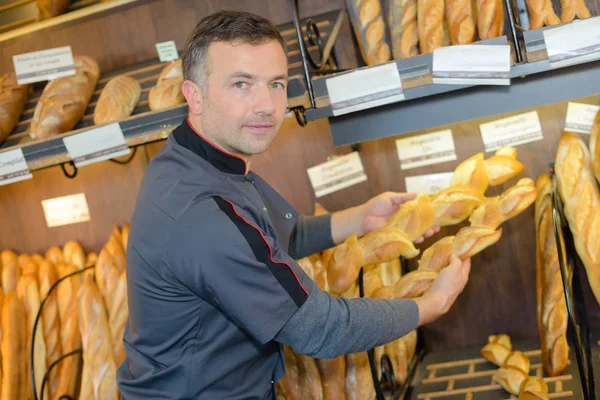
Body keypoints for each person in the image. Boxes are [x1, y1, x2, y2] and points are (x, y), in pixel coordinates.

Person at [116, 10, 471, 399]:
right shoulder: (204, 212)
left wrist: (361, 219)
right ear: (193, 95)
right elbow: (320, 328)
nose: (267, 105)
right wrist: (430, 304)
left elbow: (280, 235)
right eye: (241, 84)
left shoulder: (196, 159)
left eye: (276, 84)